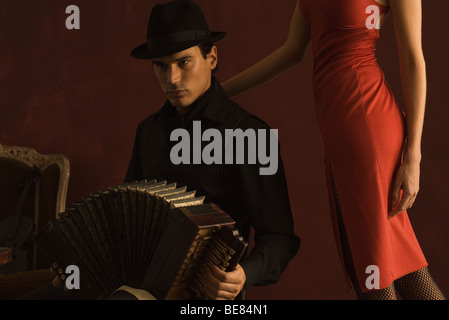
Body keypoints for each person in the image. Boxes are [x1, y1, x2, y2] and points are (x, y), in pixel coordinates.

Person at [221, 0, 445, 300]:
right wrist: (218, 92)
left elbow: (413, 58)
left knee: (373, 273)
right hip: (340, 133)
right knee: (387, 266)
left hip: (368, 124)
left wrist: (413, 155)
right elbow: (291, 52)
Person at [123, 0, 300, 300]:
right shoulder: (147, 132)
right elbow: (125, 219)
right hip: (139, 286)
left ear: (212, 57)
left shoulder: (250, 134)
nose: (172, 79)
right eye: (161, 66)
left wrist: (245, 274)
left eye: (184, 62)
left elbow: (280, 238)